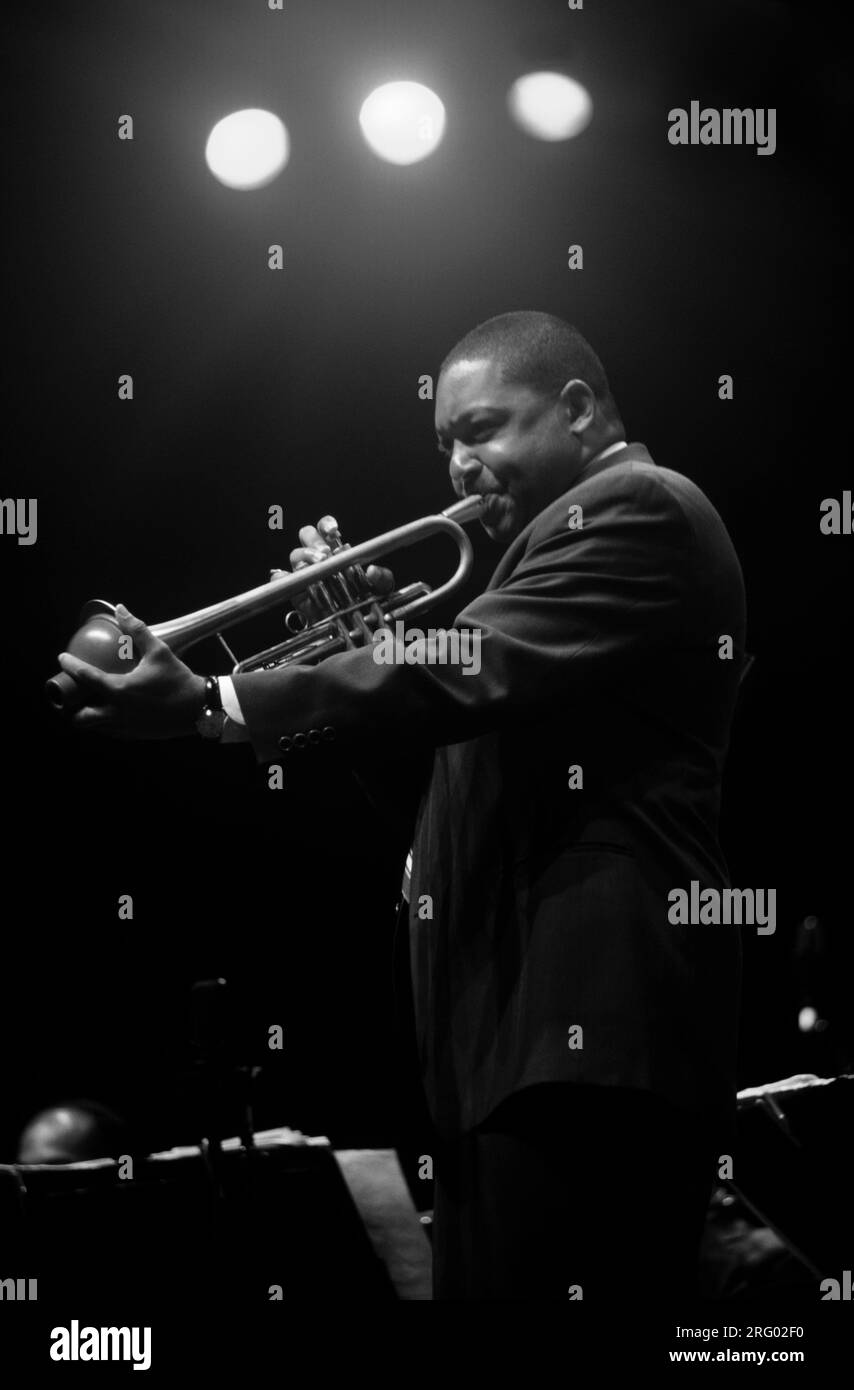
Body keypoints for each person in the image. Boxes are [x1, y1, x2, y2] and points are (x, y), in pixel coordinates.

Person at [57, 311, 747, 1303]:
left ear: (578, 408)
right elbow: (448, 800)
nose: (461, 465)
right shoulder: (541, 559)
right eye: (445, 445)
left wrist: (219, 701)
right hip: (506, 1050)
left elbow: (462, 665)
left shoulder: (635, 507)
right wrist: (360, 642)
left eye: (482, 428)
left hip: (588, 1040)